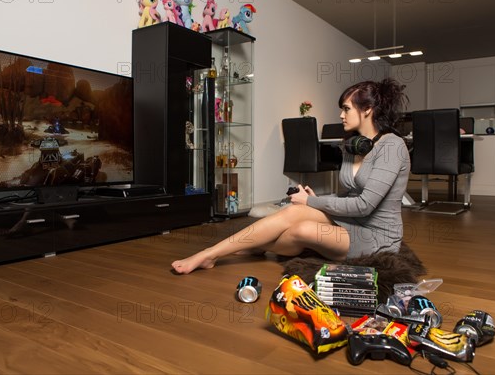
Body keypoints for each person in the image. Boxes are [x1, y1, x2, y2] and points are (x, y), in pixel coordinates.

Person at [172, 78, 410, 275]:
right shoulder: (351, 145)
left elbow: (364, 205)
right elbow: (350, 193)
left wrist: (312, 202)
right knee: (293, 212)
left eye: (346, 108)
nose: (340, 115)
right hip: (352, 222)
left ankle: (255, 244)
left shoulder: (392, 147)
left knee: (304, 229)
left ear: (367, 110)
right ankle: (210, 254)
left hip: (377, 237)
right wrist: (316, 199)